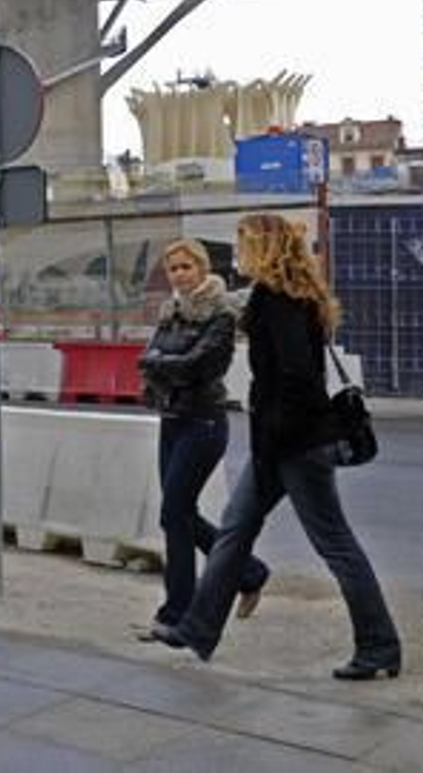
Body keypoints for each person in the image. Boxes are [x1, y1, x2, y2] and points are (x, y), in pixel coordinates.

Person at [153, 213, 402, 681]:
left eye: (243, 244)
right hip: (276, 444)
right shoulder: (283, 296)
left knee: (335, 544)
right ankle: (198, 629)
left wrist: (275, 438)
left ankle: (379, 646)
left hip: (296, 446)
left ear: (263, 248)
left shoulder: (281, 300)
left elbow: (296, 380)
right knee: (235, 530)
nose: (238, 254)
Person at [136, 238, 270, 640]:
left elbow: (200, 365)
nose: (179, 275)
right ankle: (248, 573)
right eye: (173, 268)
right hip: (172, 419)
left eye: (186, 267)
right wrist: (164, 363)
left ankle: (177, 613)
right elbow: (150, 359)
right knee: (178, 514)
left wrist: (162, 363)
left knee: (174, 514)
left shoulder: (220, 312)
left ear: (202, 267)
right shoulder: (171, 311)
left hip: (203, 423)